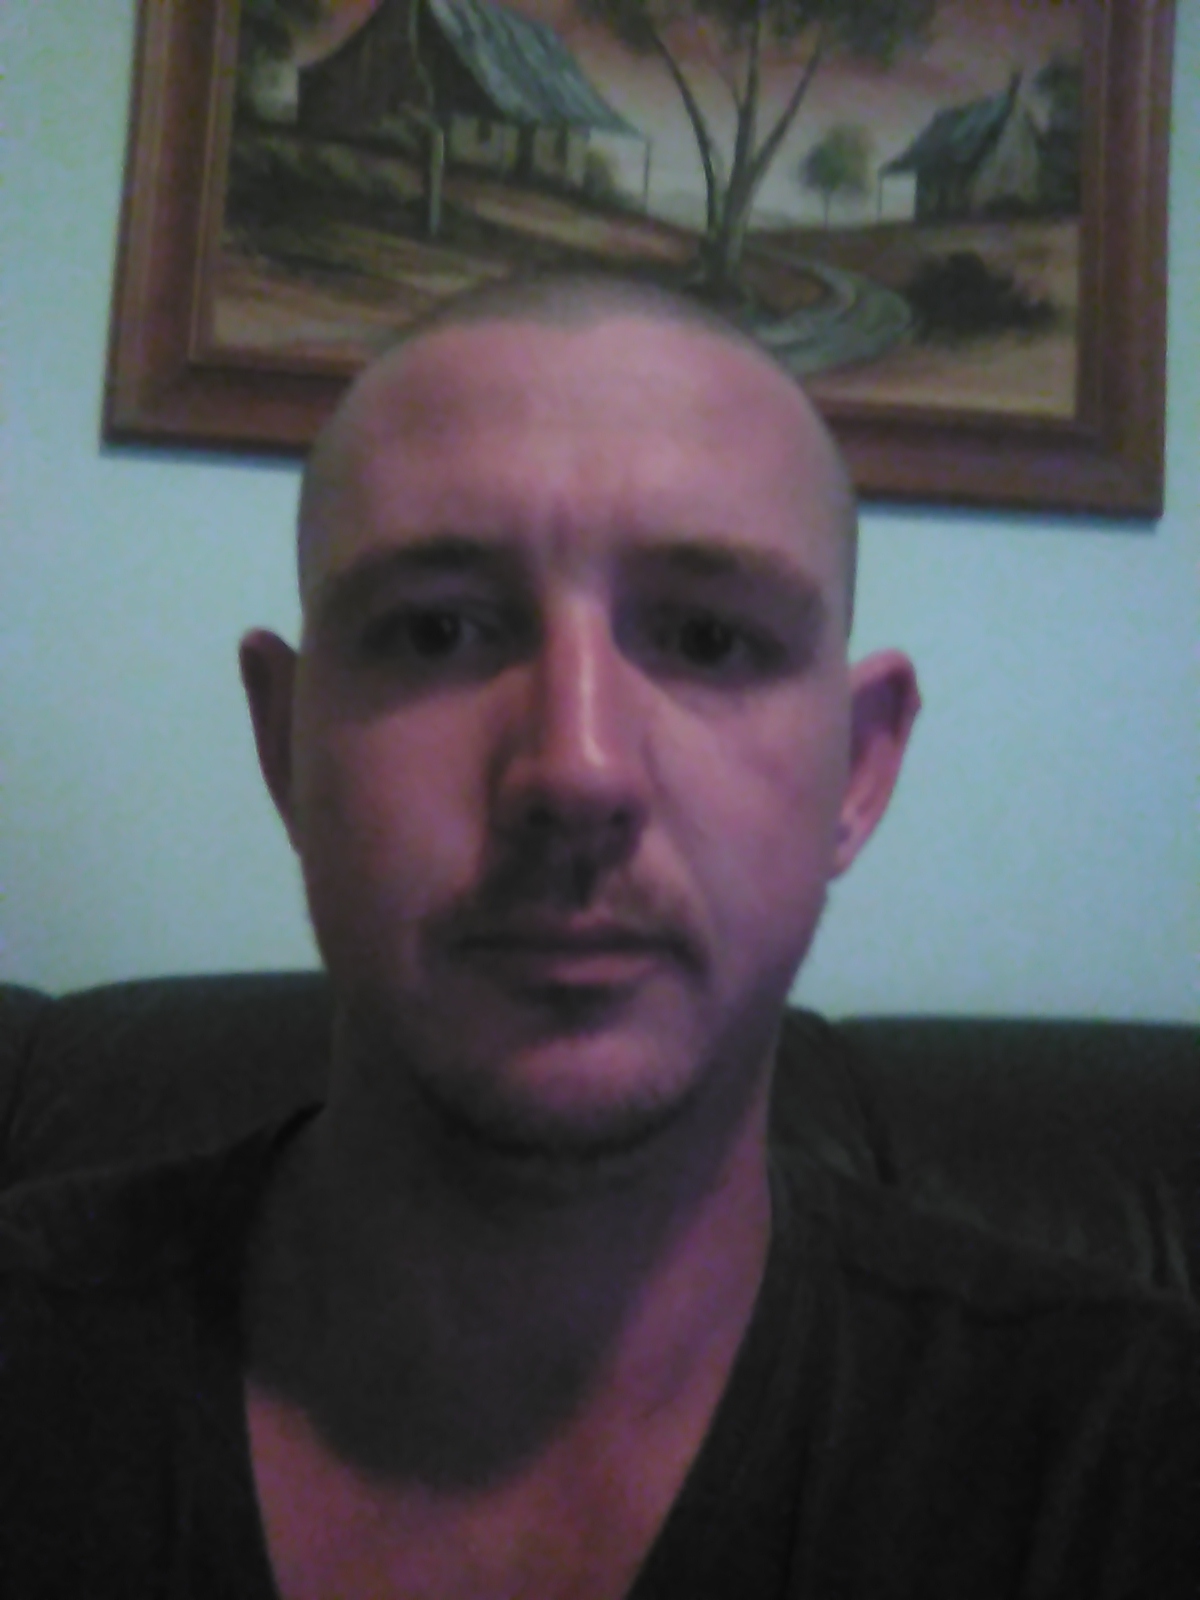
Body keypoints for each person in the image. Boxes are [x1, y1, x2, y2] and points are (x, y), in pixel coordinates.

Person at [1, 275, 1196, 1598]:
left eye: (708, 638)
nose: (575, 770)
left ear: (858, 773)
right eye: (439, 630)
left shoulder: (1130, 1459)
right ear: (286, 745)